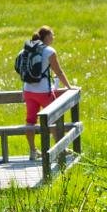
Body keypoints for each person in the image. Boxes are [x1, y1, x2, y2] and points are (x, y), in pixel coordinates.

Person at [21, 25, 77, 161]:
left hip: (28, 90)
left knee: (30, 121)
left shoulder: (27, 49)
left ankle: (33, 151)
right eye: (52, 35)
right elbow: (58, 71)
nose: (54, 37)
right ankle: (60, 149)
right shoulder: (49, 51)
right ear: (46, 37)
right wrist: (69, 87)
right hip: (43, 91)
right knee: (54, 119)